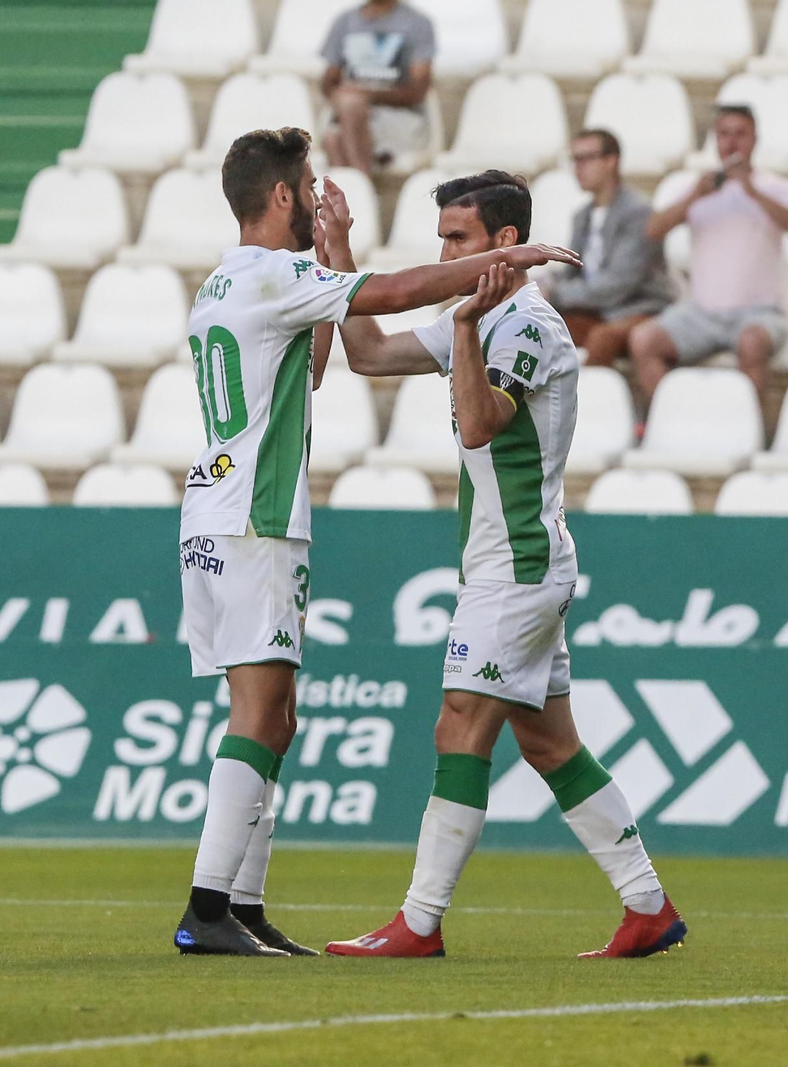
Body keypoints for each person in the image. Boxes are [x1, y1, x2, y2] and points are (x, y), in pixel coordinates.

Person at [171, 133, 582, 960]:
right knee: (259, 714)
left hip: (209, 514)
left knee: (273, 716)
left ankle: (243, 905)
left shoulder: (223, 281)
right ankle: (208, 907)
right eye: (306, 190)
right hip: (255, 520)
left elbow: (324, 357)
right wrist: (506, 261)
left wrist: (333, 251)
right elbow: (393, 293)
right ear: (283, 198)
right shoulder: (271, 274)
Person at [319, 171, 686, 960]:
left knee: (459, 725)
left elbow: (481, 425)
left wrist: (461, 325)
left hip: (516, 566)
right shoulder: (484, 317)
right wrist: (339, 251)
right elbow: (370, 355)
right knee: (550, 745)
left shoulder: (522, 325)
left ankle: (419, 920)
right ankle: (648, 907)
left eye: (458, 237)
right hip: (513, 560)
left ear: (505, 244)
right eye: (443, 236)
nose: (445, 250)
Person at [630, 105, 788, 406]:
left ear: (754, 140)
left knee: (752, 343)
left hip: (760, 312)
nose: (731, 142)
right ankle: (675, 418)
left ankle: (748, 430)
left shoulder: (772, 186)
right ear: (715, 139)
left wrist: (752, 191)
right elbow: (653, 230)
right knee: (643, 340)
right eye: (724, 134)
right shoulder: (700, 187)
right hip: (702, 313)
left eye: (740, 134)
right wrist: (693, 197)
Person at [542, 129, 673, 369]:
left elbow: (616, 285)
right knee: (532, 325)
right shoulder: (582, 217)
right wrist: (539, 286)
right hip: (597, 311)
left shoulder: (638, 213)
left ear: (611, 161)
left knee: (602, 338)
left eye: (586, 159)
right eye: (575, 159)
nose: (577, 167)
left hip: (640, 310)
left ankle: (591, 404)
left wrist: (555, 294)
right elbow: (571, 271)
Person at [319, 0, 434, 174]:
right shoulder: (344, 21)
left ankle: (358, 191)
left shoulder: (417, 23)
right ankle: (361, 192)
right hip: (353, 115)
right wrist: (349, 99)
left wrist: (366, 96)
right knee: (333, 136)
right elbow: (328, 83)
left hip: (399, 118)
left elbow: (418, 91)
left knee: (337, 132)